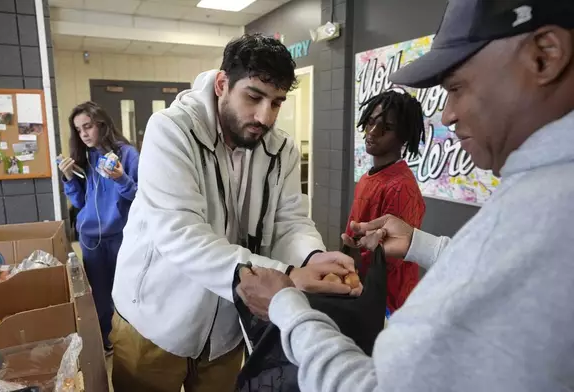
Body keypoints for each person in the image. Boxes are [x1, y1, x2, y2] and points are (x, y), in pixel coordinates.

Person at [236, 0, 574, 390]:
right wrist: (420, 245)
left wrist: (287, 308)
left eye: (457, 88)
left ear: (544, 56)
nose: (447, 115)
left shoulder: (546, 214)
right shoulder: (533, 192)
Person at [111, 34, 358, 392]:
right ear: (223, 84)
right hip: (155, 319)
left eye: (276, 103)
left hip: (229, 327)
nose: (265, 116)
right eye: (254, 97)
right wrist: (287, 275)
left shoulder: (280, 148)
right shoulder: (171, 130)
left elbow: (290, 221)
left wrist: (312, 258)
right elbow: (180, 233)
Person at [58, 101, 139, 355]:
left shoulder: (127, 155)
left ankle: (131, 340)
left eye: (88, 126)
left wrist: (120, 178)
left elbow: (142, 198)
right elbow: (82, 202)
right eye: (78, 129)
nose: (83, 133)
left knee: (126, 292)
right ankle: (108, 340)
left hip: (121, 237)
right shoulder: (86, 157)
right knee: (100, 296)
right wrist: (69, 178)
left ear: (102, 125)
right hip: (91, 239)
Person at [342, 90, 426, 313]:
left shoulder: (401, 187)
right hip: (363, 288)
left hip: (390, 301)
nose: (373, 132)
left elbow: (391, 259)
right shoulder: (367, 177)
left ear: (403, 136)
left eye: (386, 128)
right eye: (371, 122)